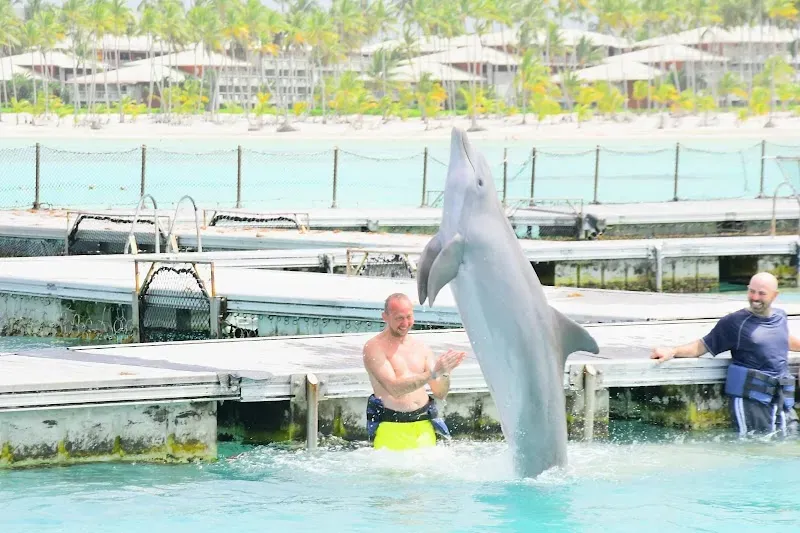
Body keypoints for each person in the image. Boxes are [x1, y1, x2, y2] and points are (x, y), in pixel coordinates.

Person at [651, 272, 800, 437]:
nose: (755, 297)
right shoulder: (735, 322)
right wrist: (672, 351)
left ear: (775, 295)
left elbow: (782, 339)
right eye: (752, 291)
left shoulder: (780, 317)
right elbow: (701, 346)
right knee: (756, 445)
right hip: (751, 401)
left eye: (761, 293)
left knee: (791, 440)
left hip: (781, 399)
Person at [362, 292, 466, 450]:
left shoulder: (421, 347)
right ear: (385, 317)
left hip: (424, 425)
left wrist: (445, 372)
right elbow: (394, 389)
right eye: (399, 318)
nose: (405, 323)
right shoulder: (374, 348)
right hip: (392, 427)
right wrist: (433, 373)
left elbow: (440, 393)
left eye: (409, 317)